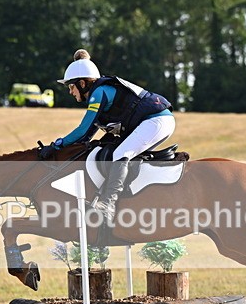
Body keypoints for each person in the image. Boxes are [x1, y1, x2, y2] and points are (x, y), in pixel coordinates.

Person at [39, 49, 175, 224]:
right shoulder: (100, 92)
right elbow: (88, 135)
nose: (70, 92)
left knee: (120, 154)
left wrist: (57, 144)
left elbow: (83, 130)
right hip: (152, 122)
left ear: (82, 83)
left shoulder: (99, 93)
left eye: (71, 87)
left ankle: (108, 204)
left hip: (155, 121)